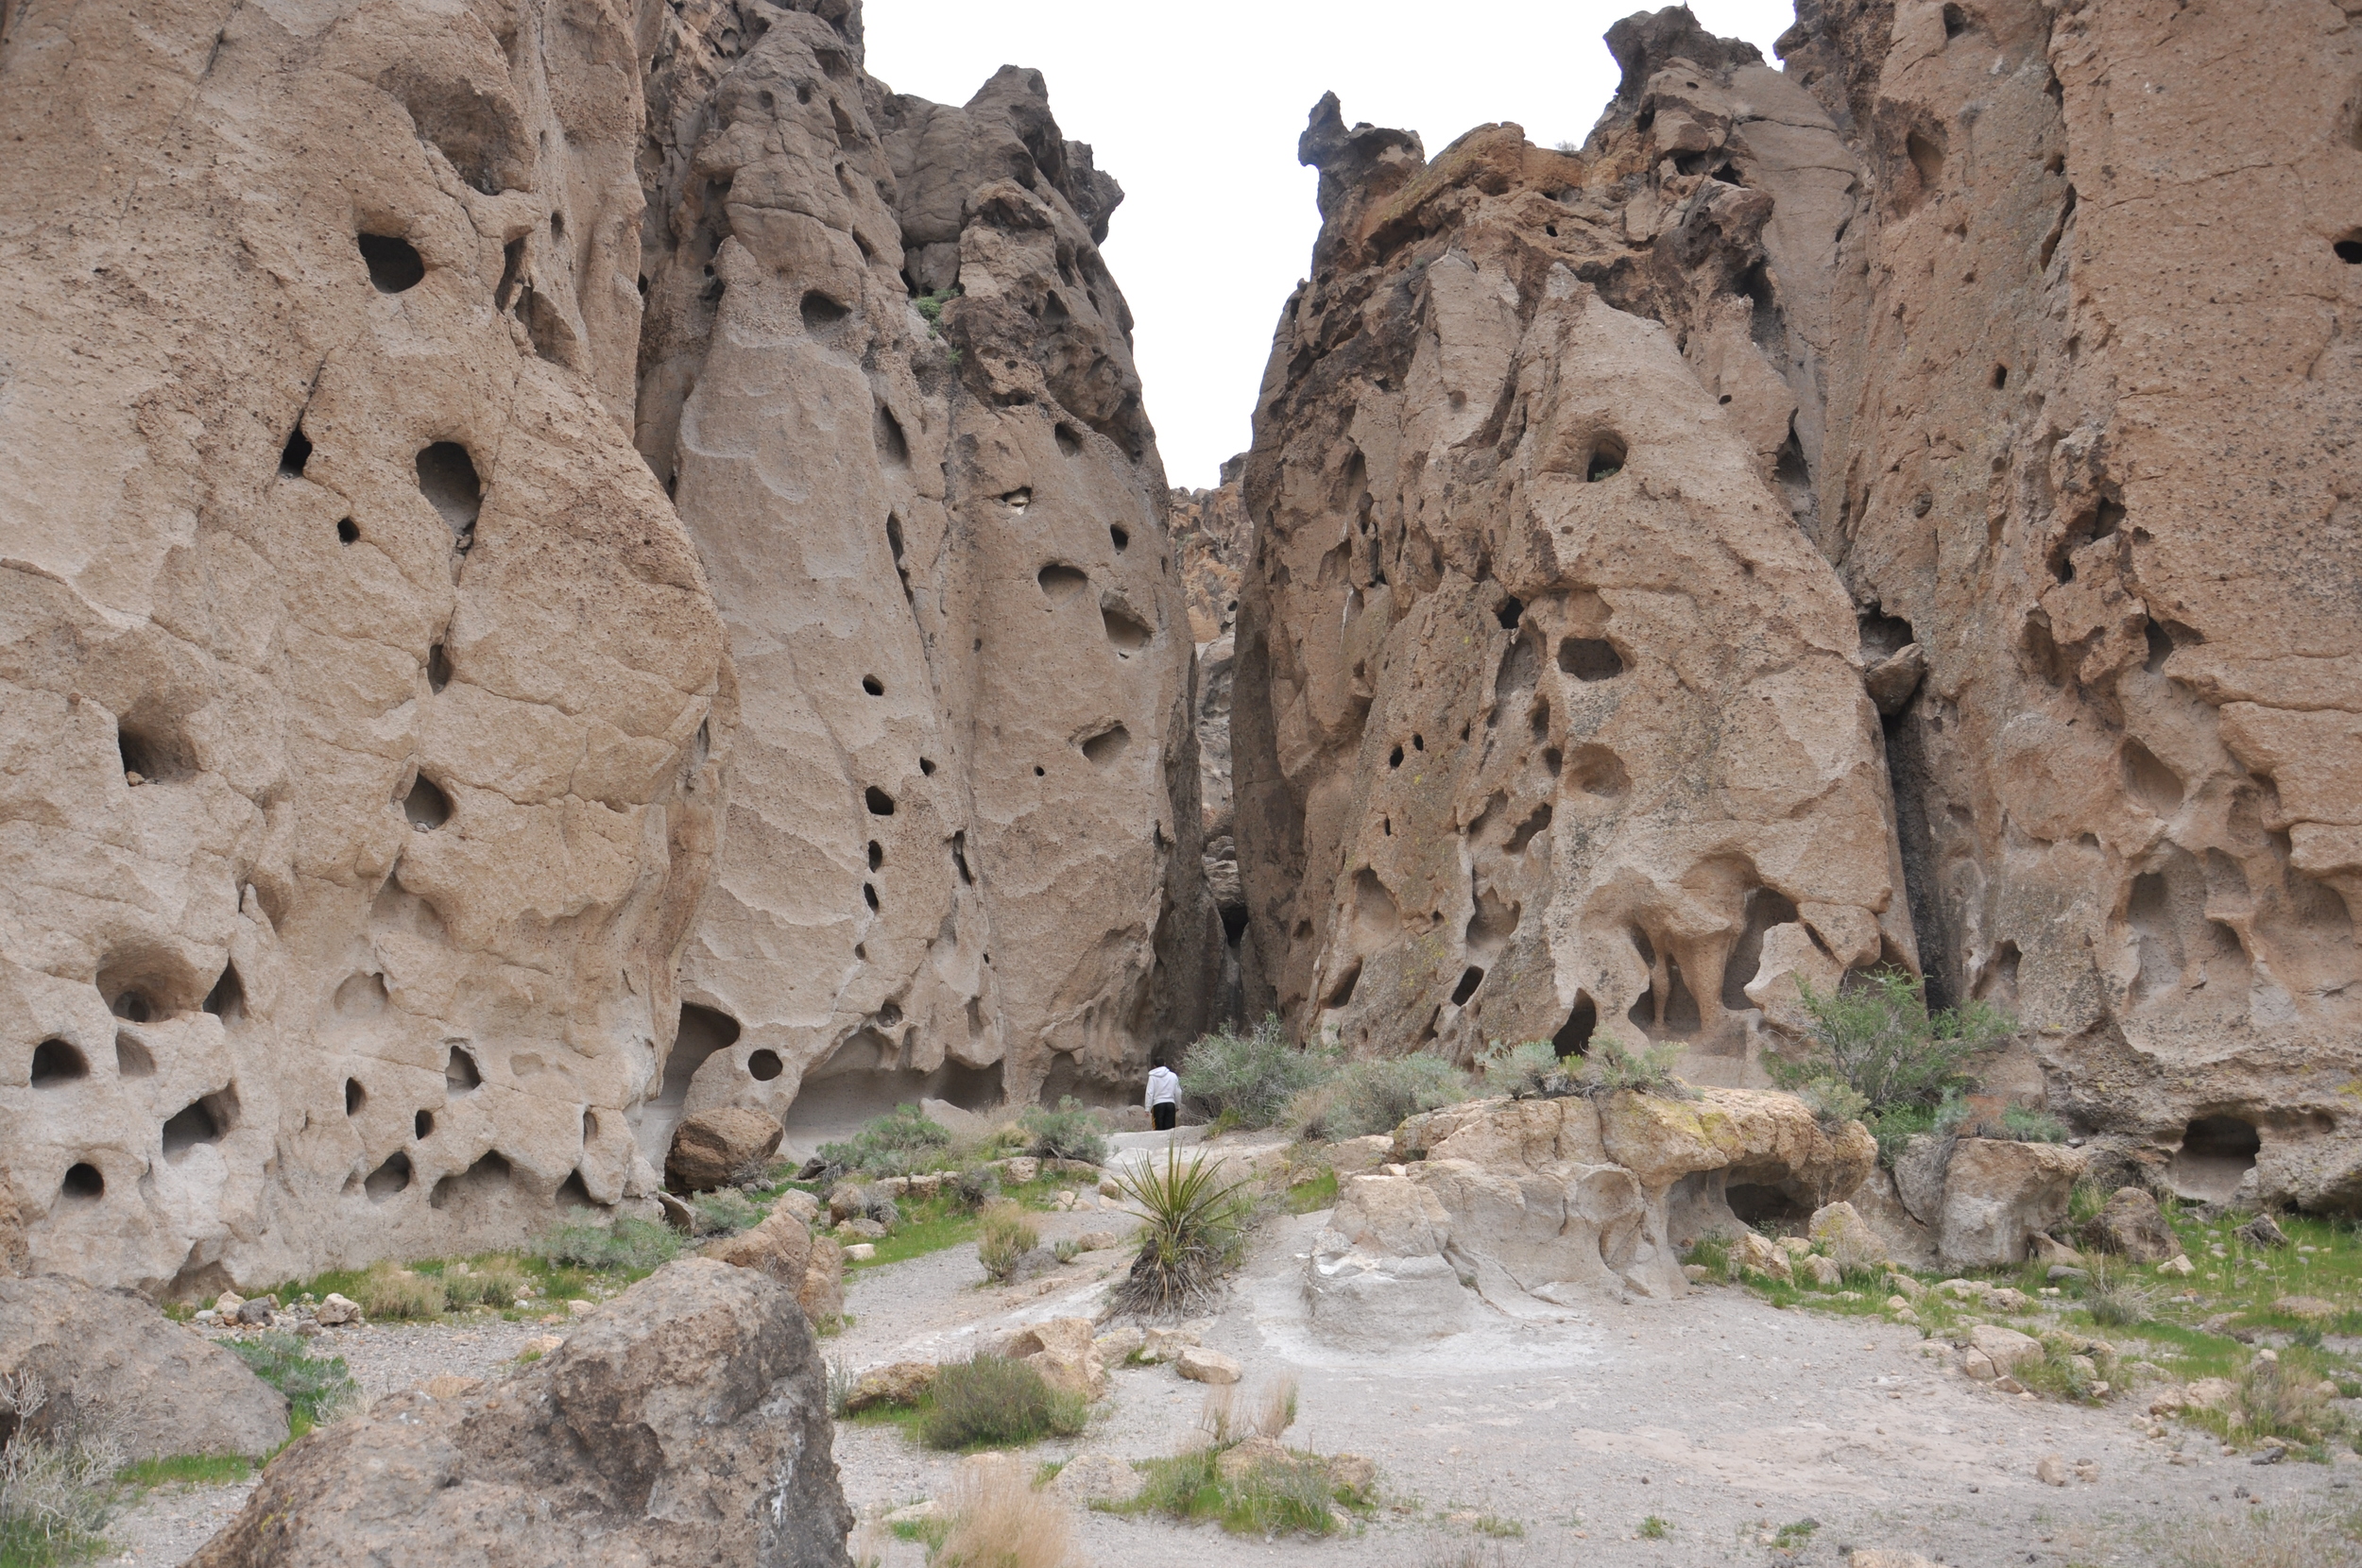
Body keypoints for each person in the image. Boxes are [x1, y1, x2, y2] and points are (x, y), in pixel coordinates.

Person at [1145, 1058, 1180, 1132]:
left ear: (1154, 1066)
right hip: (1171, 1104)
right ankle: (1169, 1143)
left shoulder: (1152, 1077)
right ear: (1164, 1063)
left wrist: (1147, 1108)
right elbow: (1178, 1091)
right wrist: (1177, 1105)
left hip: (1158, 1105)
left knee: (1158, 1130)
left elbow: (1149, 1093)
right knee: (1170, 1130)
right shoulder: (1173, 1076)